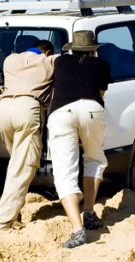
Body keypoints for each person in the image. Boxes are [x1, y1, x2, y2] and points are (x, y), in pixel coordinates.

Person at [47, 30, 110, 248]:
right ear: (93, 49)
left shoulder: (60, 61)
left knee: (65, 171)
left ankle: (76, 229)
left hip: (62, 112)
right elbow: (100, 94)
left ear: (71, 48)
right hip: (92, 109)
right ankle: (90, 212)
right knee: (94, 159)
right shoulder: (102, 65)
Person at [0, 40, 58, 231]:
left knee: (15, 163)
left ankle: (15, 212)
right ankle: (4, 222)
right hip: (27, 108)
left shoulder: (10, 59)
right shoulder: (49, 61)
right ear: (46, 51)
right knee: (23, 168)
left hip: (3, 108)